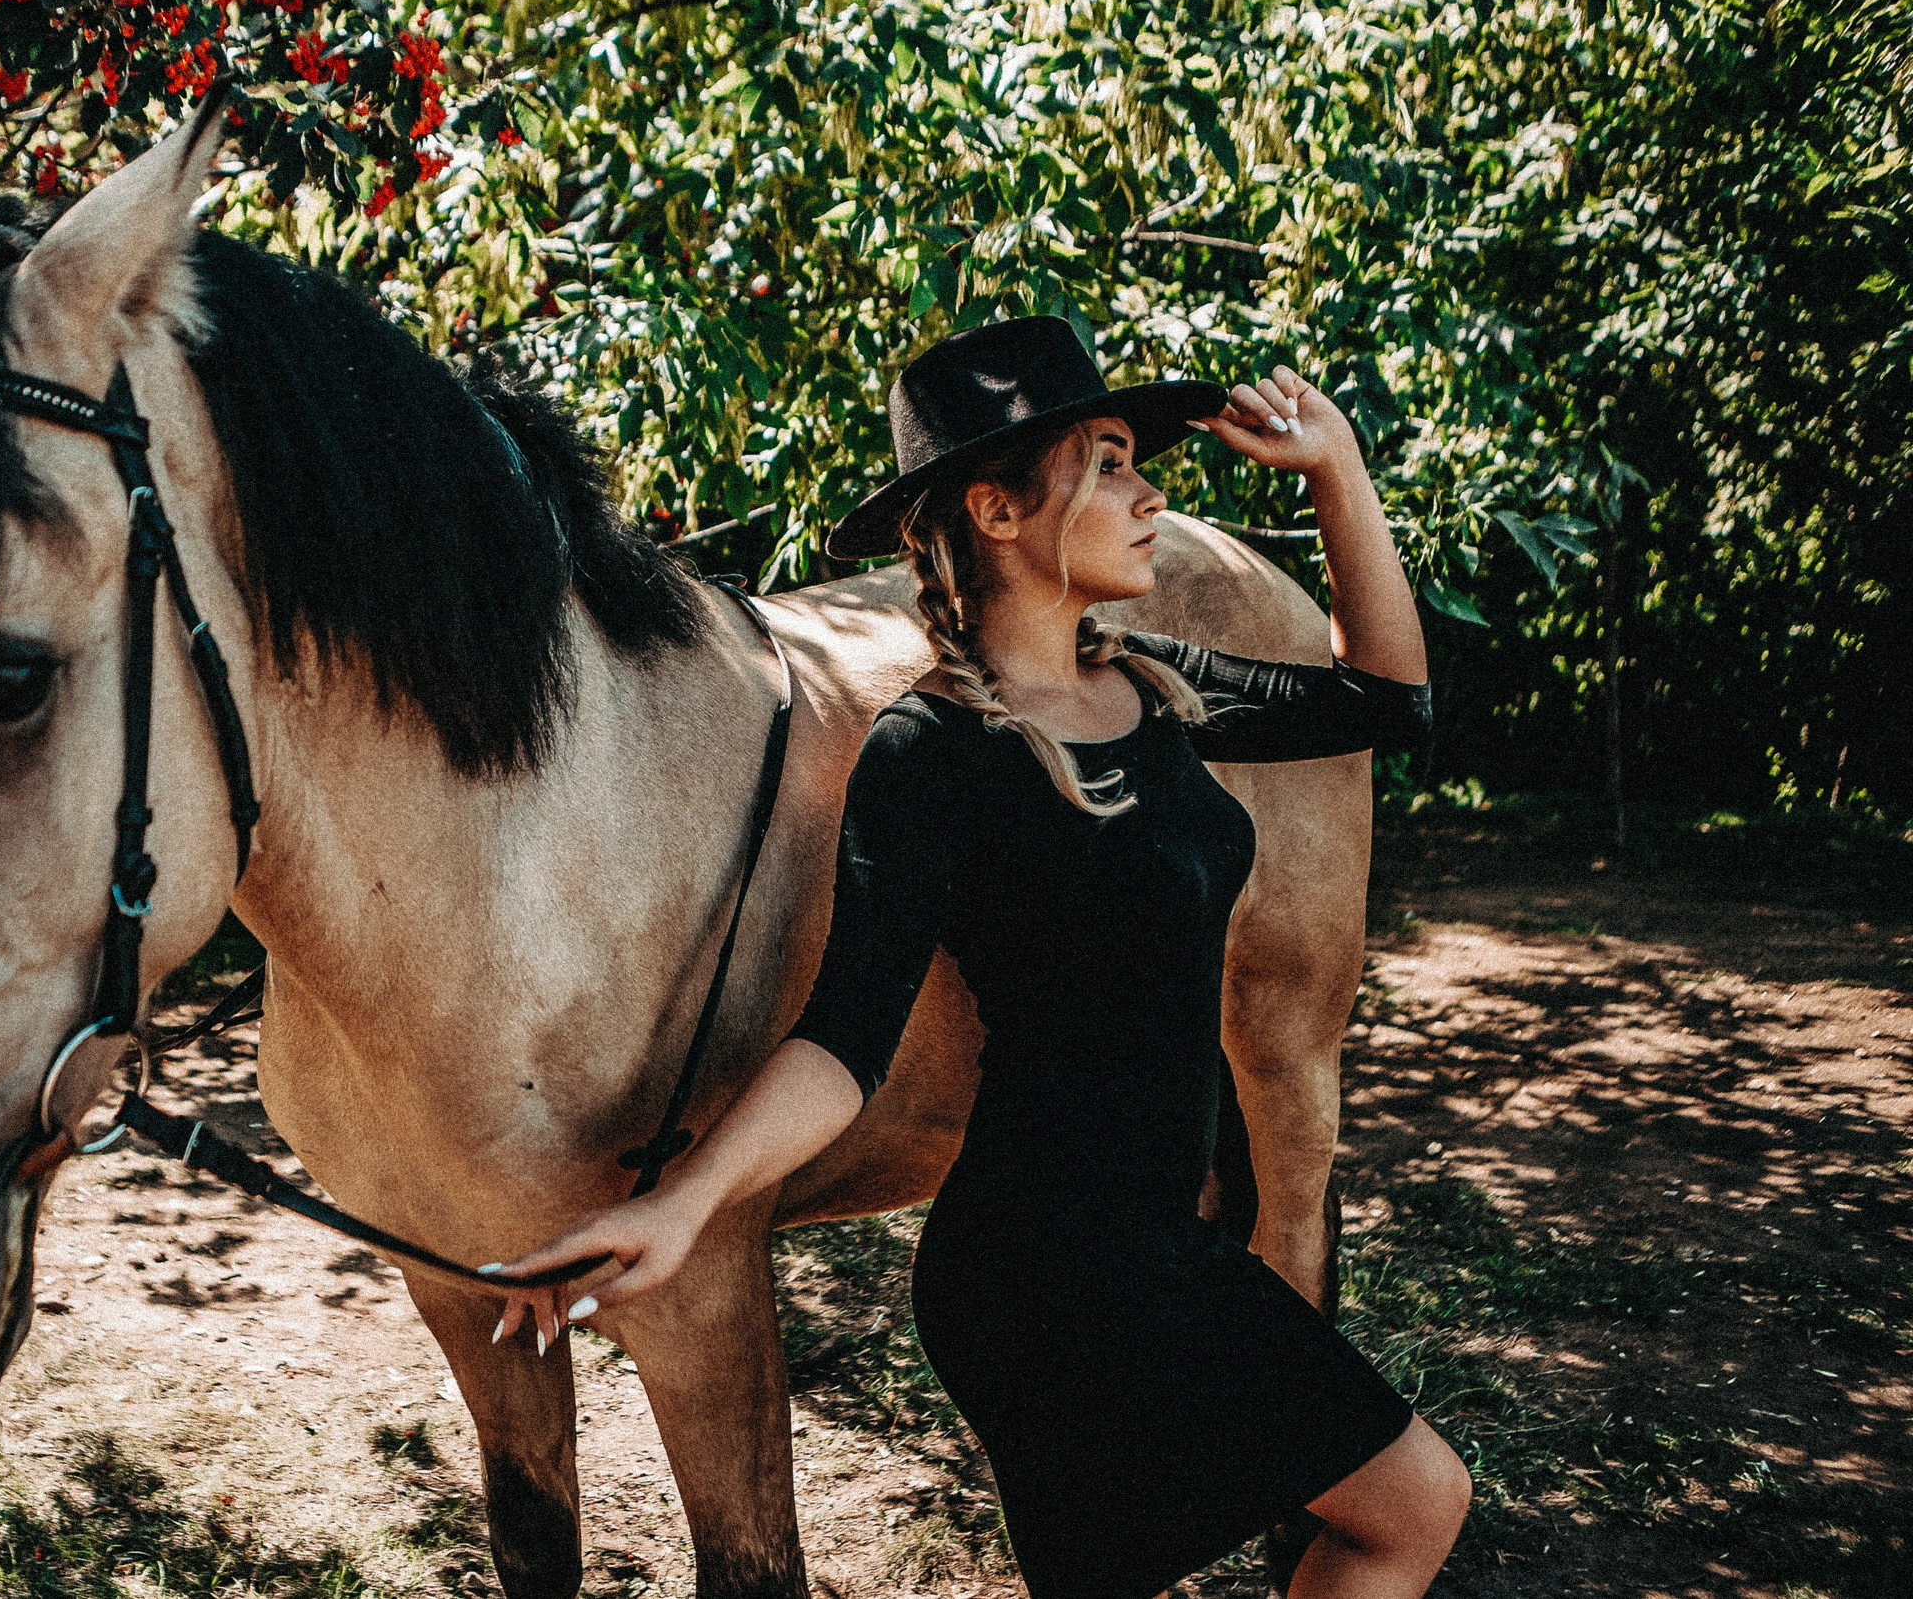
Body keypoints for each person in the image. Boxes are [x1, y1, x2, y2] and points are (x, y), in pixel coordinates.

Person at [484, 317, 1473, 1598]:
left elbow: (1387, 702)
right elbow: (842, 1041)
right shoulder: (932, 753)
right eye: (1106, 465)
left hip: (1156, 1244)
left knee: (1400, 1506)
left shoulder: (1150, 689)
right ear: (999, 512)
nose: (1149, 495)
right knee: (1412, 1499)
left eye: (1134, 462)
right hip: (1045, 1272)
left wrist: (1338, 470)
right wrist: (681, 1205)